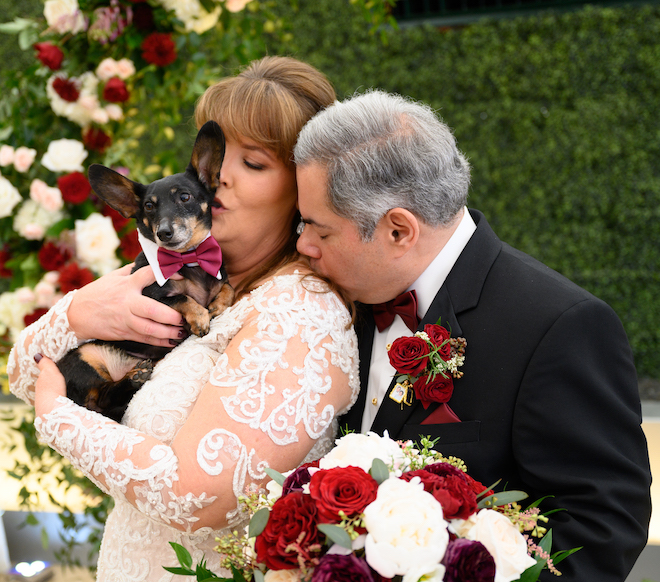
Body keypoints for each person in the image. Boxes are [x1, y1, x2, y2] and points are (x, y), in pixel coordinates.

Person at [8, 56, 359, 581]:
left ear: (305, 188)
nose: (218, 181)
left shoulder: (300, 313)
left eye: (255, 164)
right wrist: (80, 311)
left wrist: (58, 419)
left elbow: (198, 497)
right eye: (218, 157)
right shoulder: (165, 275)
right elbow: (22, 373)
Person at [293, 89, 652, 581]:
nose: (303, 245)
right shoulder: (329, 305)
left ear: (399, 230)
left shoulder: (559, 326)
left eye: (320, 230)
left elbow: (602, 528)